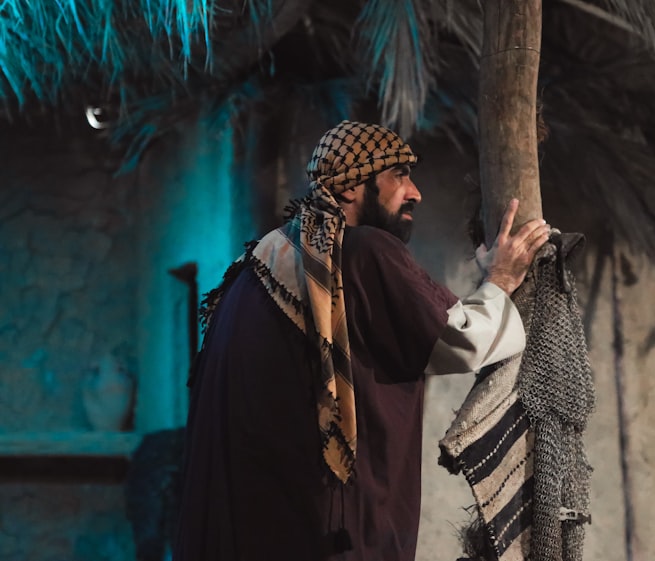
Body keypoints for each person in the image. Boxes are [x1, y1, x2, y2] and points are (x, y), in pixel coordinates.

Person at [174, 120, 550, 561]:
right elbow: (459, 339)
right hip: (326, 536)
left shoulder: (253, 266)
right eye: (398, 176)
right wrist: (501, 279)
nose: (415, 193)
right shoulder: (359, 251)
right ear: (351, 187)